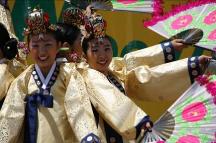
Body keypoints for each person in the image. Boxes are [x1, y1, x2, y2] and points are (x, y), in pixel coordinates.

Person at [0, 8, 100, 143]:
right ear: (28, 48)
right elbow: (11, 116)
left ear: (59, 46)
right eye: (35, 45)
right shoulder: (23, 81)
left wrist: (87, 136)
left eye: (47, 44)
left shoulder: (69, 74)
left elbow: (77, 106)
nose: (42, 52)